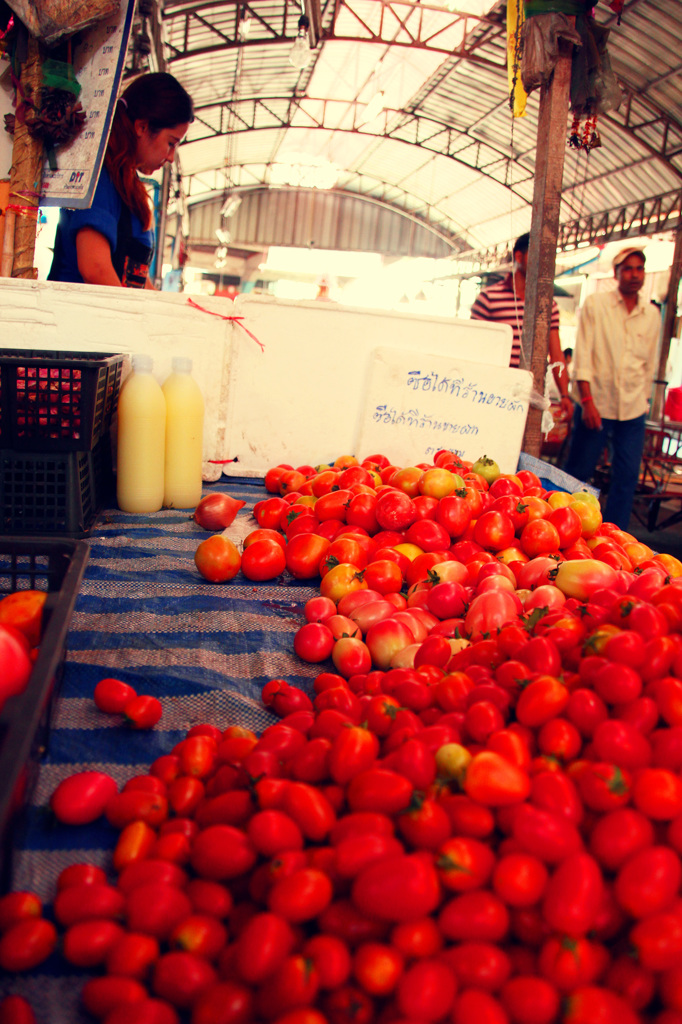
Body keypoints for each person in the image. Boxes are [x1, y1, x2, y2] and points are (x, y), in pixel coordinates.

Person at [48, 72, 193, 289]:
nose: (171, 157)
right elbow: (95, 268)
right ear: (142, 127)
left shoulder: (127, 184)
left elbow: (137, 279)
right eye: (171, 143)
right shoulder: (100, 179)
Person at [563, 246, 661, 530]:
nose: (634, 274)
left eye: (639, 269)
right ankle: (567, 528)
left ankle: (614, 535)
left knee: (628, 475)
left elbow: (649, 364)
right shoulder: (597, 304)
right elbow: (583, 356)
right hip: (597, 404)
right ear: (616, 273)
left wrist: (643, 400)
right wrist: (587, 400)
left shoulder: (651, 314)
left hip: (632, 409)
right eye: (628, 268)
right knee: (579, 474)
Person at [470, 232, 573, 423]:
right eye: (538, 256)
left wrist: (565, 395)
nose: (545, 263)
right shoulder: (489, 298)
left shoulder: (549, 306)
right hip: (490, 395)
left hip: (531, 401)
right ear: (519, 256)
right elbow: (473, 349)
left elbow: (556, 353)